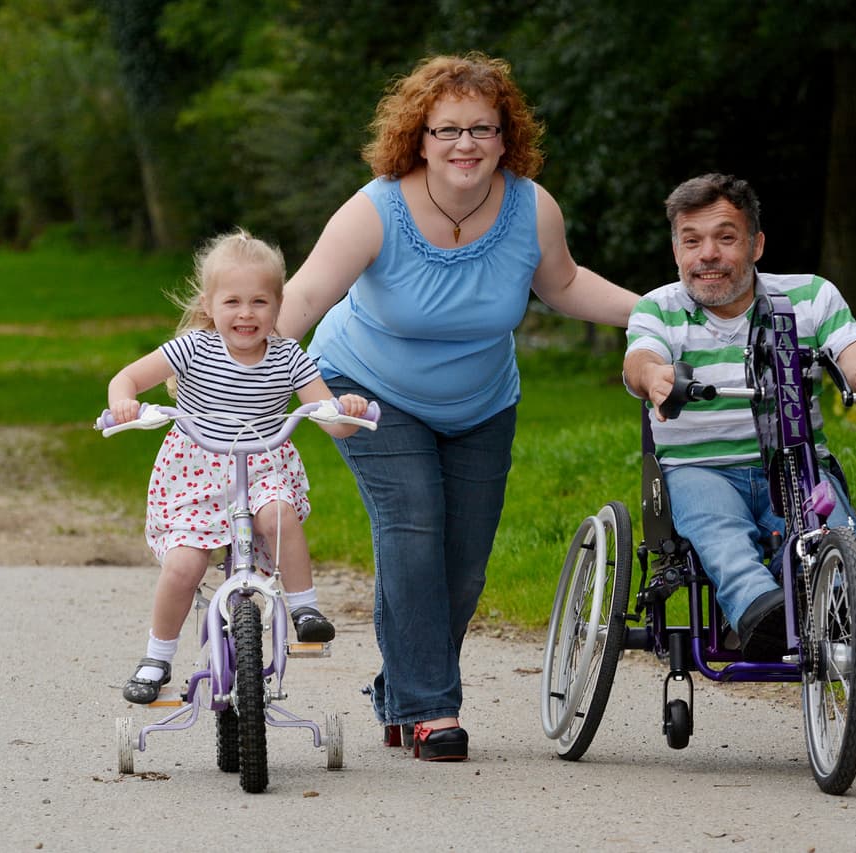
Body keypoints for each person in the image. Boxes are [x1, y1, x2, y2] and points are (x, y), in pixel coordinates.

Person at [275, 52, 638, 761]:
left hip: (482, 401)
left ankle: (400, 691)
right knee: (413, 529)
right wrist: (244, 368)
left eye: (482, 129)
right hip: (369, 390)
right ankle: (431, 710)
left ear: (506, 137)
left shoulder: (531, 208)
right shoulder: (376, 209)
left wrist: (659, 314)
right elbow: (306, 296)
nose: (464, 144)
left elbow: (563, 285)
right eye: (447, 130)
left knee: (464, 566)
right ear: (420, 137)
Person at [623, 173, 856, 661]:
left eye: (726, 238)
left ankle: (825, 616)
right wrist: (655, 377)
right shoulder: (658, 308)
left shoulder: (809, 297)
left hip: (793, 461)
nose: (708, 254)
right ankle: (758, 613)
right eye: (692, 241)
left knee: (846, 539)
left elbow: (853, 348)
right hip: (699, 468)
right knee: (721, 536)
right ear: (677, 250)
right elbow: (641, 359)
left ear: (756, 244)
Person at [108, 228, 370, 705]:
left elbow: (330, 419)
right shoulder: (192, 349)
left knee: (278, 514)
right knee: (184, 565)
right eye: (232, 302)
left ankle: (305, 610)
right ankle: (156, 657)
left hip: (263, 467)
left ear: (278, 305)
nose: (246, 313)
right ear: (209, 305)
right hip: (196, 474)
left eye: (259, 302)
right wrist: (124, 403)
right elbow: (126, 378)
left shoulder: (289, 357)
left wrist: (346, 412)